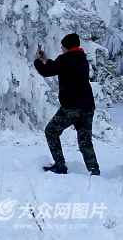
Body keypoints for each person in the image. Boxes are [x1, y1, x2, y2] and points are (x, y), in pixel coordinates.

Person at [34, 33, 100, 175]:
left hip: (71, 107)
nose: (61, 48)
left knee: (51, 131)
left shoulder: (65, 59)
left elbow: (47, 71)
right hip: (87, 106)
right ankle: (94, 171)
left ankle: (60, 166)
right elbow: (58, 67)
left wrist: (38, 62)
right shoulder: (82, 58)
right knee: (85, 141)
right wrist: (46, 59)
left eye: (62, 46)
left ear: (67, 47)